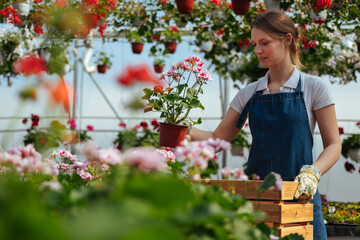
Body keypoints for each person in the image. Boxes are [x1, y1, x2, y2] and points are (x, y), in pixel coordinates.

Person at [189, 11, 341, 240]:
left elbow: (333, 145)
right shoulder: (250, 93)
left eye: (264, 43)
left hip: (299, 197)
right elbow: (216, 141)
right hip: (258, 199)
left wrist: (313, 172)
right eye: (254, 44)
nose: (257, 50)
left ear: (287, 40)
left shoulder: (313, 87)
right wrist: (179, 125)